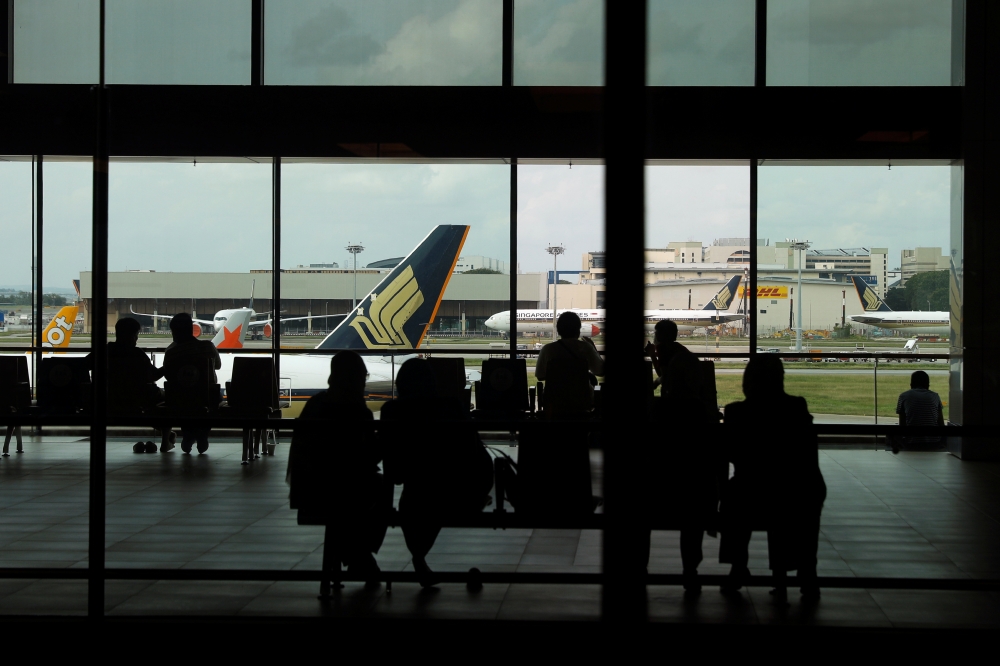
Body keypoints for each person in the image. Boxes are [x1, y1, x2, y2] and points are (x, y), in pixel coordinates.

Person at [719, 354, 826, 601]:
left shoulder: (736, 412)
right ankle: (803, 573)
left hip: (750, 488)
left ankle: (738, 566)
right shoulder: (796, 406)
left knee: (735, 498)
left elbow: (729, 455)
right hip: (794, 488)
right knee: (792, 509)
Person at [381, 358, 493, 587]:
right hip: (459, 497)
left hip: (418, 498)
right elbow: (477, 456)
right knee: (435, 494)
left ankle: (412, 556)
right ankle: (417, 557)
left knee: (416, 500)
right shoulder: (451, 406)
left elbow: (394, 474)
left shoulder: (392, 411)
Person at [288, 351, 389, 582]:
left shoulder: (315, 405)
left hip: (311, 490)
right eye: (363, 377)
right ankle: (359, 553)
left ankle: (354, 555)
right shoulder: (358, 411)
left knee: (346, 496)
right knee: (377, 490)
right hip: (346, 491)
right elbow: (367, 459)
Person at [643, 322, 724, 594]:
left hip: (661, 486)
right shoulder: (703, 413)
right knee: (693, 519)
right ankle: (691, 570)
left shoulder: (660, 413)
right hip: (697, 490)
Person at [522, 311, 604, 518]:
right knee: (578, 451)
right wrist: (593, 351)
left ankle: (555, 494)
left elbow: (540, 375)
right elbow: (601, 371)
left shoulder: (549, 350)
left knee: (557, 451)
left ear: (558, 330)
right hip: (581, 407)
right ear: (578, 330)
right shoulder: (585, 348)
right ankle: (580, 494)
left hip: (555, 408)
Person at [163, 312, 221, 454]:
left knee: (183, 397)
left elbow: (168, 374)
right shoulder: (207, 346)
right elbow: (218, 365)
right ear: (191, 329)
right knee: (211, 399)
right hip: (207, 398)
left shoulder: (171, 352)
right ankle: (203, 433)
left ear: (174, 331)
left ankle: (188, 433)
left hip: (180, 400)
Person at [89, 317, 165, 412]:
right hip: (134, 400)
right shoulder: (137, 353)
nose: (137, 338)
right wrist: (168, 366)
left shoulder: (103, 350)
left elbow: (83, 365)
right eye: (136, 334)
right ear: (132, 335)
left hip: (107, 398)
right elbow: (154, 375)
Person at [895, 370, 945, 451]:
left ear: (911, 383)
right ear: (927, 384)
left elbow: (902, 423)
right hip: (934, 441)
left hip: (911, 442)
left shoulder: (904, 396)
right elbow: (940, 422)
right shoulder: (935, 396)